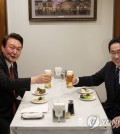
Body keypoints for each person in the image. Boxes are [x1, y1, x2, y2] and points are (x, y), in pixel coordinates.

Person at [0, 33, 51, 134]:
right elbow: (6, 83)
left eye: (18, 49)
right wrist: (34, 80)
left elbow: (16, 87)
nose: (15, 52)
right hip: (2, 112)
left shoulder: (13, 64)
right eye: (11, 47)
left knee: (41, 115)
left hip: (11, 106)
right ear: (2, 48)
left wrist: (35, 95)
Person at [73, 37, 120, 134]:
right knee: (84, 115)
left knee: (114, 129)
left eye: (119, 52)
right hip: (109, 108)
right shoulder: (109, 66)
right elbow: (94, 79)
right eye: (113, 53)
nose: (116, 56)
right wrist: (76, 80)